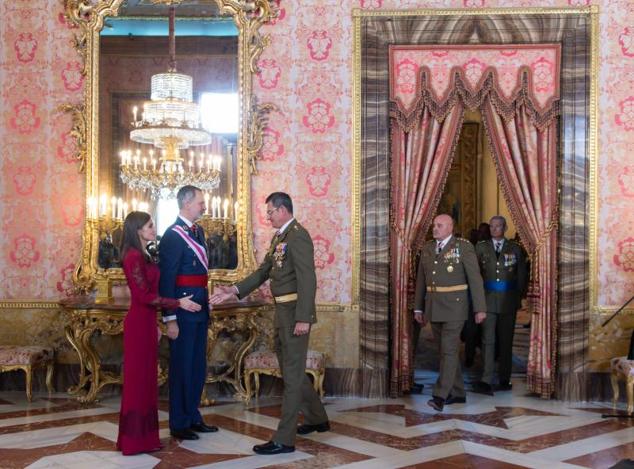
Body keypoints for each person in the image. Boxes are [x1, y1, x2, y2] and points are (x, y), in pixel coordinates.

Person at [210, 192, 329, 455]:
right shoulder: (280, 237)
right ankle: (318, 417)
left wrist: (303, 318)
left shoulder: (298, 235)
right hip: (282, 313)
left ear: (284, 210)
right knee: (291, 371)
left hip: (294, 314)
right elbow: (264, 271)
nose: (268, 216)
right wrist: (234, 290)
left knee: (293, 375)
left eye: (271, 212)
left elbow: (308, 279)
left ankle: (284, 439)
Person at [117, 211, 201, 455]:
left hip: (147, 323)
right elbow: (143, 296)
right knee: (138, 382)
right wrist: (178, 303)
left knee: (147, 381)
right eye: (149, 225)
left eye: (153, 225)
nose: (153, 229)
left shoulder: (143, 254)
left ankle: (146, 438)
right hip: (137, 324)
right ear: (137, 230)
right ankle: (134, 441)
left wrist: (156, 324)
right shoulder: (132, 256)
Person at [159, 185, 218, 440]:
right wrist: (170, 317)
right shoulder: (172, 235)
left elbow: (200, 274)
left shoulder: (198, 231)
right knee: (181, 367)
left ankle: (193, 416)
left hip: (200, 309)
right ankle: (179, 422)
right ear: (186, 204)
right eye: (200, 203)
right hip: (181, 314)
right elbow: (167, 279)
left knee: (196, 366)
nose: (204, 207)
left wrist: (208, 299)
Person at [413, 214, 486, 412]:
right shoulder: (428, 248)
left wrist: (480, 308)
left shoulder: (463, 247)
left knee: (449, 350)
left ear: (450, 227)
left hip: (455, 308)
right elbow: (421, 280)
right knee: (445, 353)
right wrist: (418, 307)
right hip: (434, 307)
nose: (435, 228)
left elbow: (475, 280)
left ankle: (439, 395)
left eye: (439, 225)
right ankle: (459, 392)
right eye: (434, 225)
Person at [474, 216, 528, 394]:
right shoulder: (481, 247)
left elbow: (521, 276)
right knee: (487, 341)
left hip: (508, 300)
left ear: (505, 228)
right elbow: (476, 276)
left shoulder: (515, 249)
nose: (494, 229)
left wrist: (518, 297)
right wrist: (477, 300)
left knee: (506, 341)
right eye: (491, 226)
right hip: (487, 300)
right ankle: (486, 378)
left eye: (498, 226)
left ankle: (505, 378)